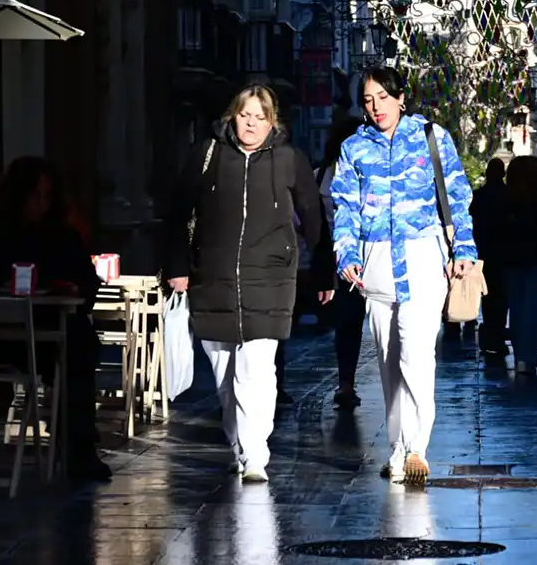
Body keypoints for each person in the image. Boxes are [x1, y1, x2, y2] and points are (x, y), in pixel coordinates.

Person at [163, 84, 334, 483]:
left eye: (260, 117)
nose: (252, 124)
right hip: (213, 280)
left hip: (270, 280)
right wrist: (177, 266)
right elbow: (178, 212)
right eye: (245, 115)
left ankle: (256, 453)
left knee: (257, 372)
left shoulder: (289, 160)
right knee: (225, 376)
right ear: (232, 117)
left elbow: (313, 218)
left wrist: (324, 271)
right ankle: (238, 444)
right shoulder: (207, 155)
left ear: (272, 122)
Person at [330, 67, 477, 484]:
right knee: (389, 358)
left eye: (382, 97)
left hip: (423, 258)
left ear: (400, 97)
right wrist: (346, 253)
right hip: (375, 264)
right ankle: (396, 446)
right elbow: (345, 205)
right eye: (368, 99)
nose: (375, 106)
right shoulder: (354, 148)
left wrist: (464, 249)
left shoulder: (431, 137)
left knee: (417, 354)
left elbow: (457, 194)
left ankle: (417, 447)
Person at [0, 157, 110, 482]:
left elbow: (88, 283)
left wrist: (70, 288)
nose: (40, 204)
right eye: (34, 196)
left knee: (79, 341)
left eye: (47, 196)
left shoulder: (64, 237)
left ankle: (77, 446)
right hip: (0, 336)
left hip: (50, 334)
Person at [317, 118, 369, 410]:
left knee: (347, 324)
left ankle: (346, 382)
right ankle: (346, 382)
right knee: (350, 324)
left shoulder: (320, 175)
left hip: (335, 260)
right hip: (348, 260)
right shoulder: (360, 174)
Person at [498, 156, 537, 375]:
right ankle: (529, 357)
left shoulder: (505, 201)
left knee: (516, 308)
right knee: (534, 309)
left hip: (512, 260)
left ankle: (521, 357)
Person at [470, 158, 509, 365]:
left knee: (488, 295)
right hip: (504, 252)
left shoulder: (479, 197)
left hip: (484, 252)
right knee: (501, 298)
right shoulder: (509, 196)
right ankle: (497, 335)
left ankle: (490, 335)